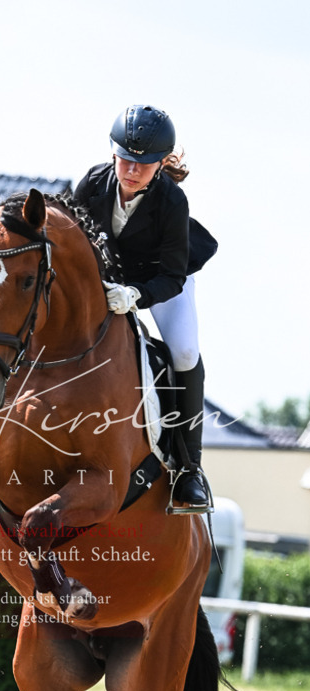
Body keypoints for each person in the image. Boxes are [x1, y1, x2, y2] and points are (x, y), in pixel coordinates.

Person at [72, 104, 218, 513]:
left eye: (144, 164)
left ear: (159, 164)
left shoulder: (172, 201)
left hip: (162, 279)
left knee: (185, 353)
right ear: (113, 152)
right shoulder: (91, 183)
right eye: (126, 159)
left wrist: (135, 295)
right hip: (108, 276)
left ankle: (190, 471)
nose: (132, 170)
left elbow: (171, 277)